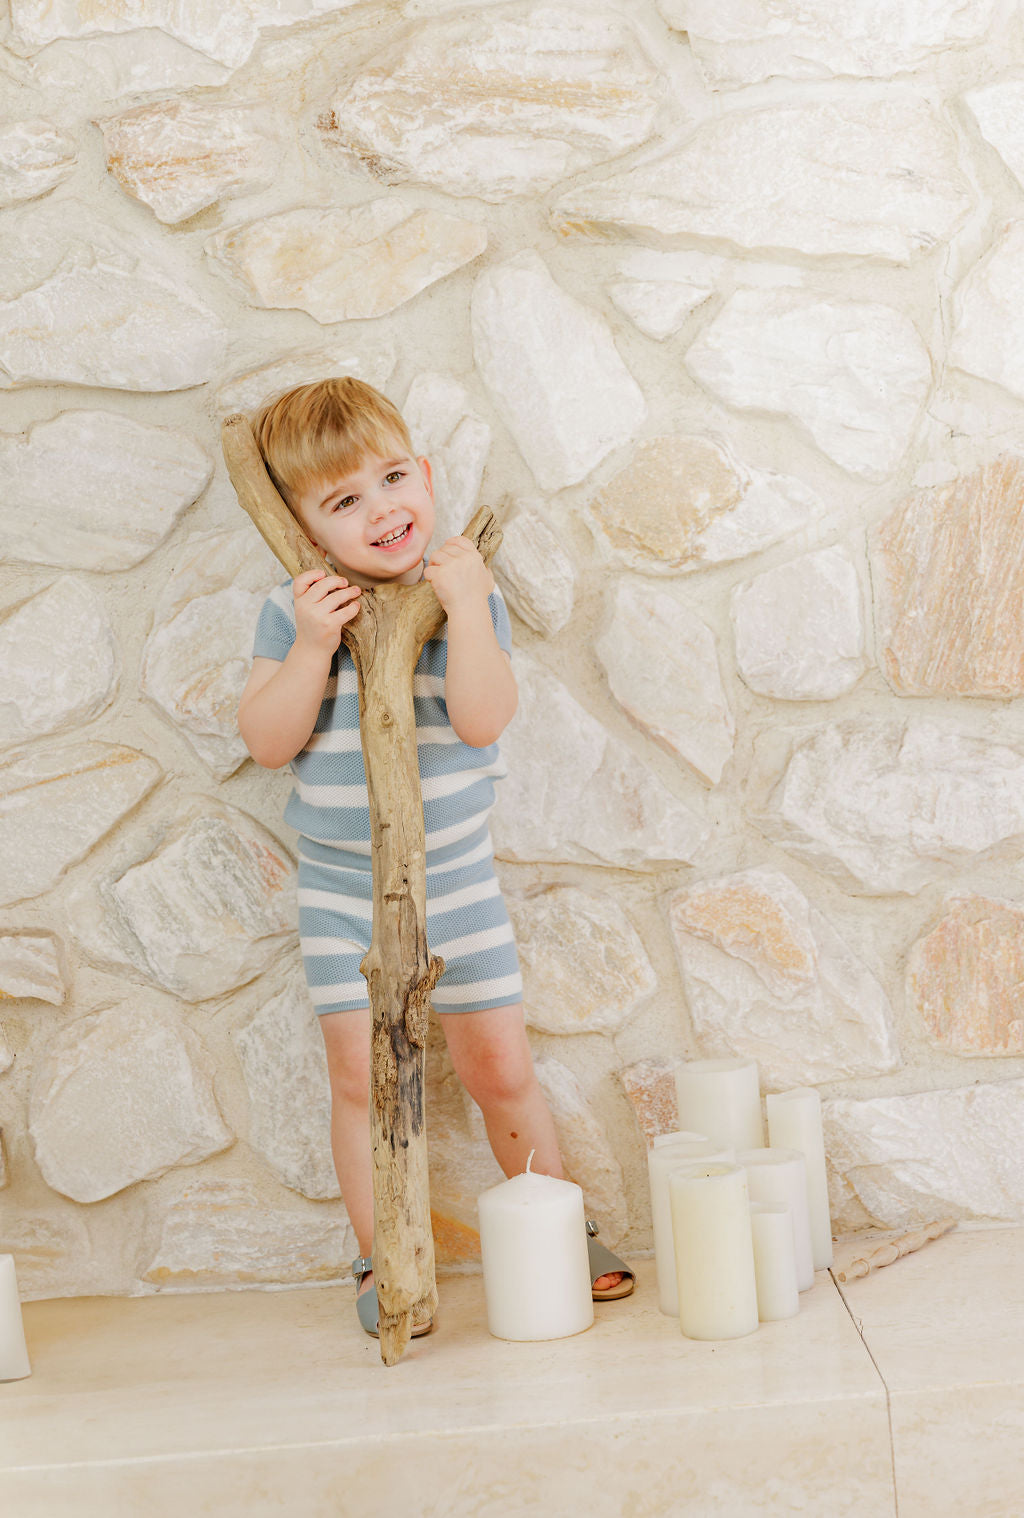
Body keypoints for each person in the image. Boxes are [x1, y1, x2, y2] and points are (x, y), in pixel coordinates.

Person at [237, 377, 633, 1336]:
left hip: (456, 882)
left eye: (392, 479)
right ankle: (384, 1258)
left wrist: (467, 608)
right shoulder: (294, 611)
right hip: (344, 893)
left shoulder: (461, 594)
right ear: (301, 527)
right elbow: (267, 740)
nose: (381, 510)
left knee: (499, 1066)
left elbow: (484, 719)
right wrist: (313, 648)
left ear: (423, 472)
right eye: (344, 501)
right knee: (359, 1078)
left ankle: (558, 1226)